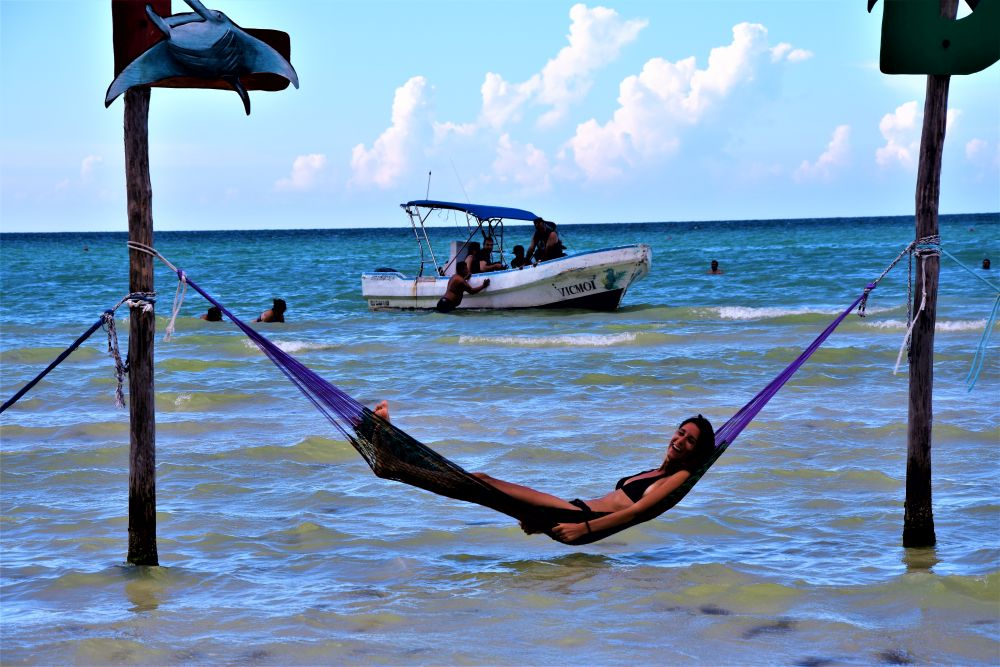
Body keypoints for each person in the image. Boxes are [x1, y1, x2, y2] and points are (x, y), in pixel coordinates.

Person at [372, 400, 715, 543]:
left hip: (582, 519)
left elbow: (637, 513)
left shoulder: (679, 477)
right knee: (479, 485)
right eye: (680, 433)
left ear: (697, 452)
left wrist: (584, 529)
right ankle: (393, 461)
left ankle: (393, 460)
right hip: (573, 510)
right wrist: (542, 523)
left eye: (690, 441)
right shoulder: (657, 470)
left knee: (480, 483)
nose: (680, 441)